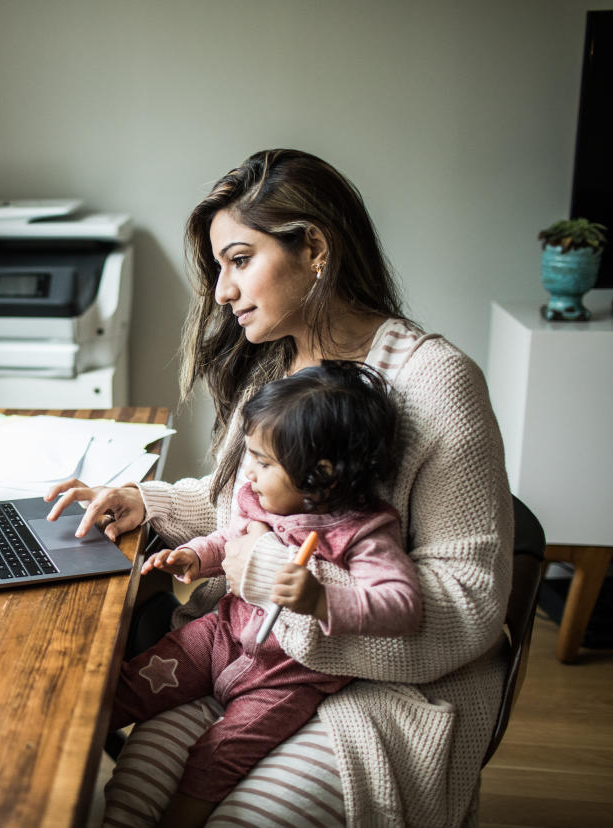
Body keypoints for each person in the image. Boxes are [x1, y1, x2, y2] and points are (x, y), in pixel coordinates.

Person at [45, 149, 512, 827]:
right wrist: (147, 502)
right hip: (239, 653)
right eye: (219, 269)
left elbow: (469, 604)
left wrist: (290, 594)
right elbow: (240, 505)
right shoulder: (278, 366)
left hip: (379, 692)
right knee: (130, 804)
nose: (222, 292)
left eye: (239, 260)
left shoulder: (437, 382)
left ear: (315, 247)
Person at [113, 360, 421, 828]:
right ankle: (61, 745)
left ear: (322, 475)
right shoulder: (258, 499)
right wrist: (196, 556)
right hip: (221, 635)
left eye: (263, 462)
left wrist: (321, 600)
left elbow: (400, 603)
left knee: (218, 756)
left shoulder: (364, 532)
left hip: (287, 680)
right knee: (135, 682)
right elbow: (229, 541)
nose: (249, 474)